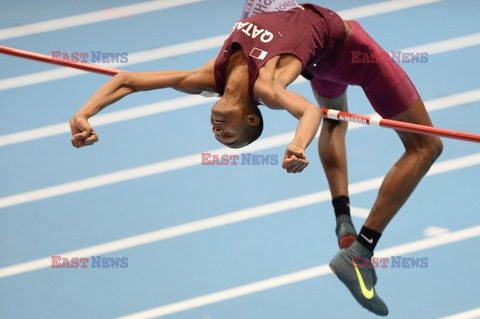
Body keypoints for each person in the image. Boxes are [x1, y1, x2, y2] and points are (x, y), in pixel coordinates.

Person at [69, 2, 443, 316]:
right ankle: (361, 249)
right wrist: (297, 144)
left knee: (336, 121)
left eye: (219, 135)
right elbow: (309, 112)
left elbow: (128, 81)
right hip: (351, 52)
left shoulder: (209, 77)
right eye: (228, 135)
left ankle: (344, 227)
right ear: (251, 117)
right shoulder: (266, 86)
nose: (217, 131)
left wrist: (83, 114)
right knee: (427, 147)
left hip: (316, 58)